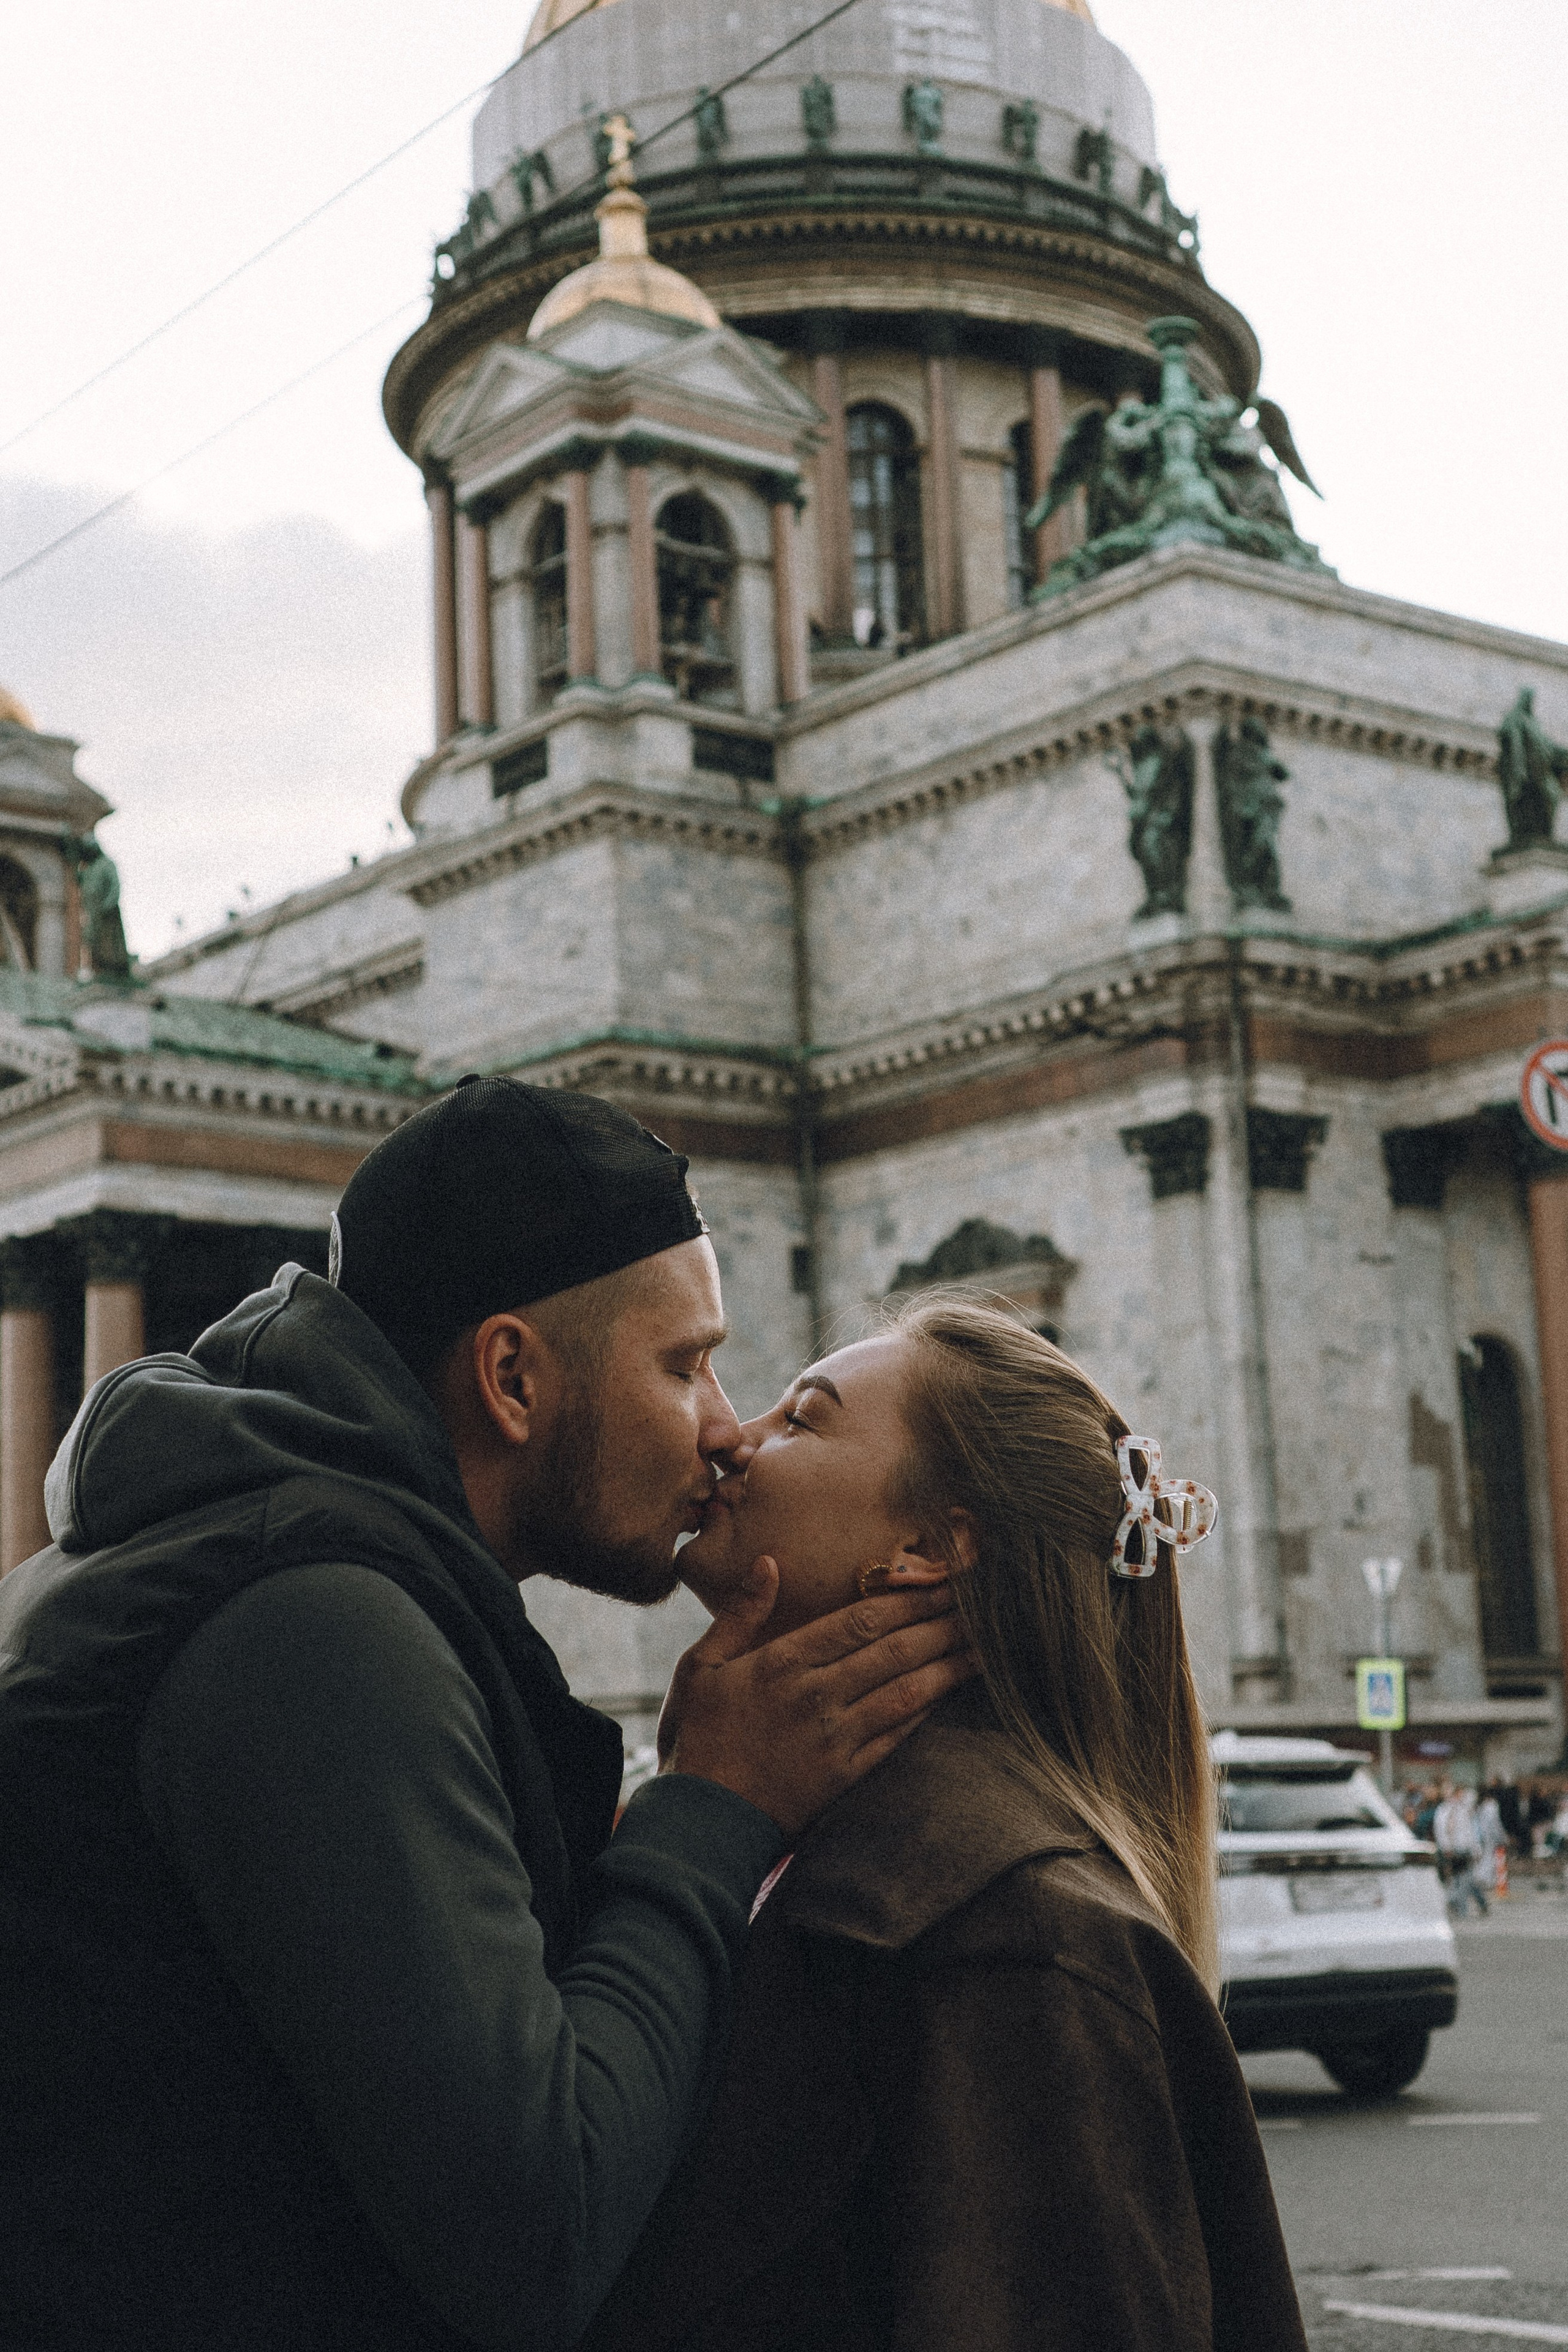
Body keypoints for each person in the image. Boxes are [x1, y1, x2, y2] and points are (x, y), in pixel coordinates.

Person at [0, 1079, 971, 2352]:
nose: (725, 1430)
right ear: (512, 1377)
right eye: (685, 1364)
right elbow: (537, 2238)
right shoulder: (312, 1624)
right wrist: (713, 1805)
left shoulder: (256, 1544)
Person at [580, 1296, 1309, 2352]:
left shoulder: (1016, 1938)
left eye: (802, 1417)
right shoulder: (844, 1855)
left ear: (930, 1545)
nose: (732, 1436)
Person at [1434, 1782, 1489, 1918]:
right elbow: (1442, 1831)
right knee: (1463, 1879)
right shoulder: (1444, 1811)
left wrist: (1476, 1849)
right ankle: (1473, 1904)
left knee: (1465, 1879)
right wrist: (1446, 1847)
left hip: (1465, 1850)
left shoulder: (1463, 1811)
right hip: (1454, 1850)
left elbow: (1470, 1832)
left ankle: (1461, 1907)